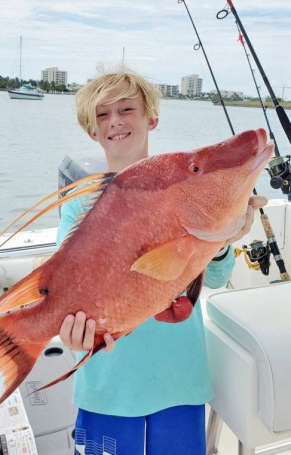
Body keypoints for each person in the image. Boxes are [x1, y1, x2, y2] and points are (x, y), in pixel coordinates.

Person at [56, 70, 267, 455]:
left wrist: (223, 239)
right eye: (102, 115)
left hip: (180, 384)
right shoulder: (78, 206)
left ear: (151, 118)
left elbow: (217, 277)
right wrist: (72, 334)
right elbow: (67, 288)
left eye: (126, 109)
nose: (115, 121)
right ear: (92, 131)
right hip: (108, 389)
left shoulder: (184, 189)